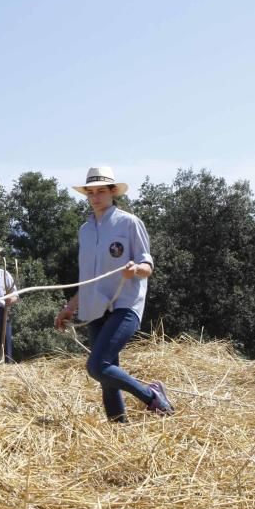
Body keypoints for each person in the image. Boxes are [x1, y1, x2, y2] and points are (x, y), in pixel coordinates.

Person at [54, 166, 173, 422]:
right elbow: (88, 279)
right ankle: (119, 427)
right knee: (107, 373)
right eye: (91, 192)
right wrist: (70, 307)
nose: (95, 197)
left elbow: (147, 265)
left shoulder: (129, 223)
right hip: (94, 307)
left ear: (112, 192)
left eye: (101, 191)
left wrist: (136, 269)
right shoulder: (85, 231)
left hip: (125, 304)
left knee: (98, 366)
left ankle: (152, 396)